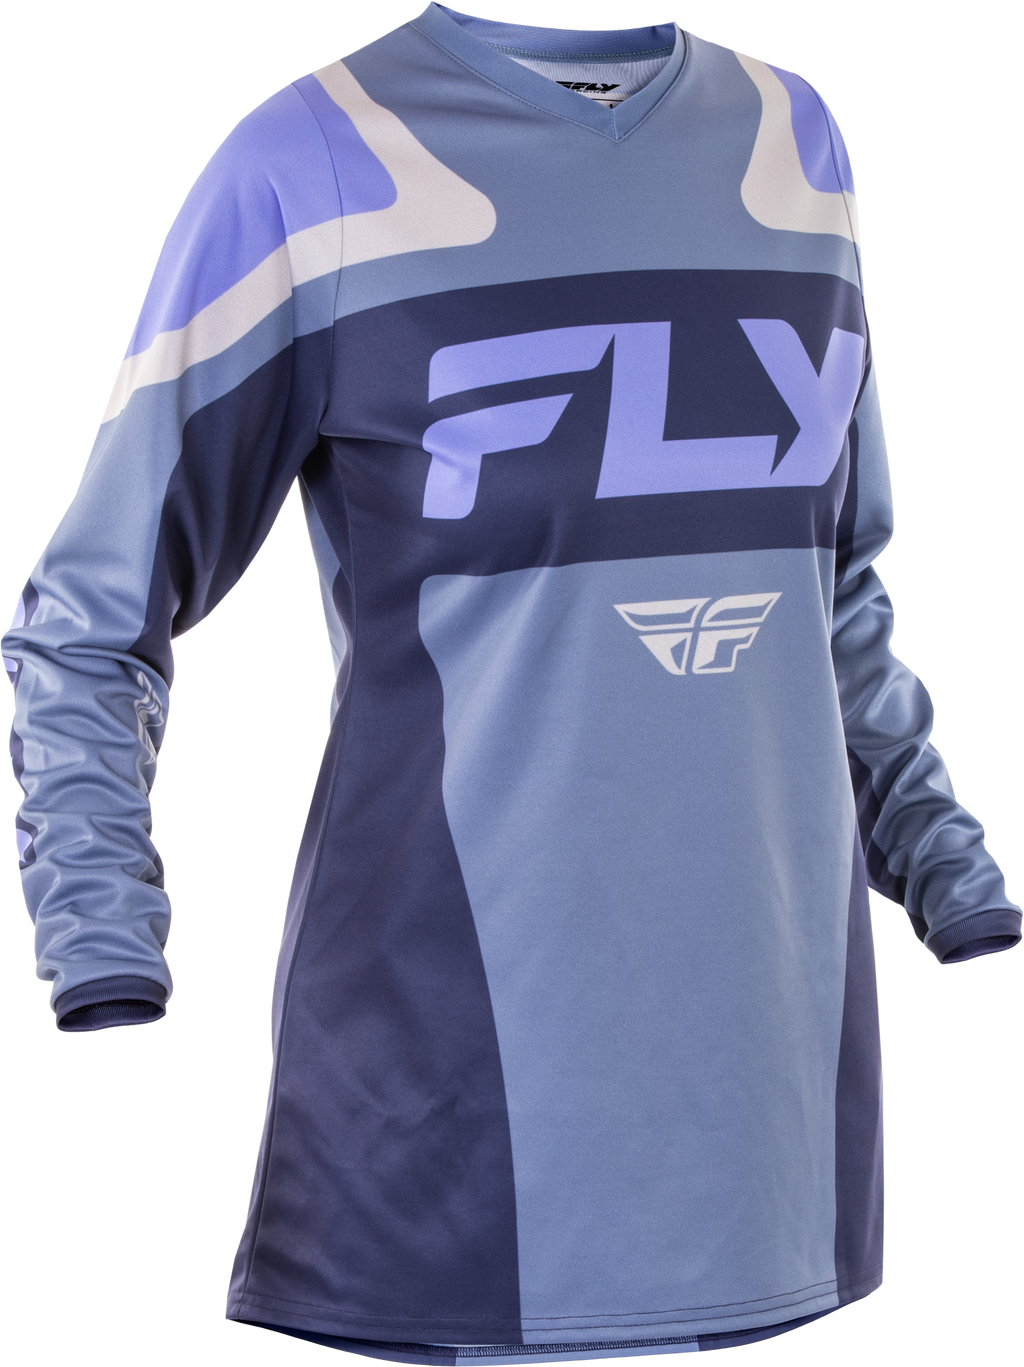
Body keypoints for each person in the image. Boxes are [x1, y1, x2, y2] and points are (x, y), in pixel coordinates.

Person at [3, 6, 1019, 1361]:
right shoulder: (315, 158)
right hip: (434, 1163)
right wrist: (100, 930)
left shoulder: (797, 141)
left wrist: (944, 860)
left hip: (787, 1171)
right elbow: (88, 613)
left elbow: (826, 582)